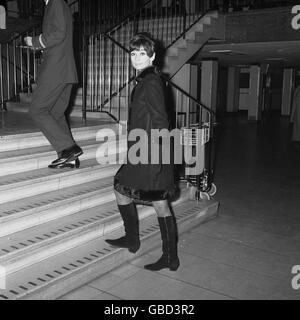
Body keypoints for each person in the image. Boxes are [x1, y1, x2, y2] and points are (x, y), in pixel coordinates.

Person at [105, 33, 180, 272]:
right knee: (121, 188)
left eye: (142, 53)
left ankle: (169, 256)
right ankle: (132, 239)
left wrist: (158, 159)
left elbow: (161, 121)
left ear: (153, 56)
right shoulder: (145, 80)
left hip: (152, 153)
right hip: (142, 150)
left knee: (159, 203)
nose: (136, 57)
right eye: (133, 53)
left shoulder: (151, 82)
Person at [24, 0, 82, 169]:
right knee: (56, 113)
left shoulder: (55, 2)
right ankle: (69, 158)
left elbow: (58, 33)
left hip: (56, 70)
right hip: (64, 70)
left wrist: (34, 41)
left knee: (37, 110)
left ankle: (69, 148)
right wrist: (42, 47)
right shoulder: (57, 4)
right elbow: (59, 38)